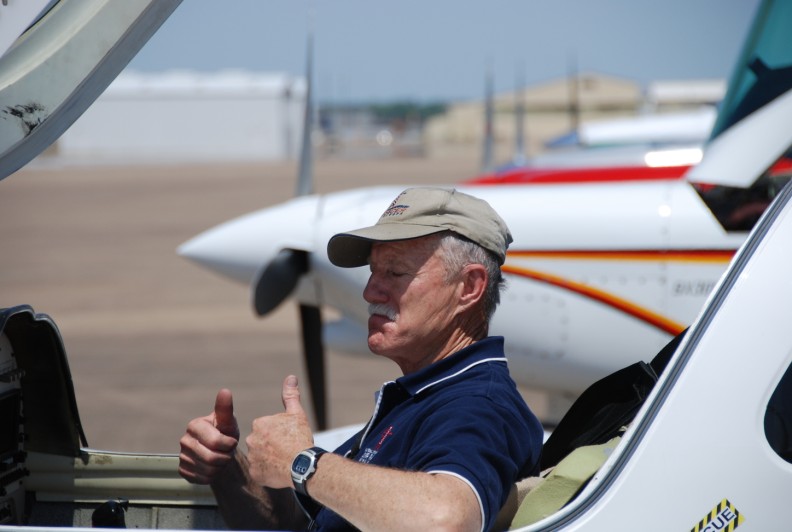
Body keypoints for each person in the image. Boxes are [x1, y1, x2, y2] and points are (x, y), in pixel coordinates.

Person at [178, 187, 544, 531]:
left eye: (395, 272)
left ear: (469, 287)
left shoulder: (477, 405)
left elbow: (446, 520)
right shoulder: (421, 397)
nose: (370, 291)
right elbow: (296, 522)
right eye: (373, 271)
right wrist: (225, 467)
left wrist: (302, 462)